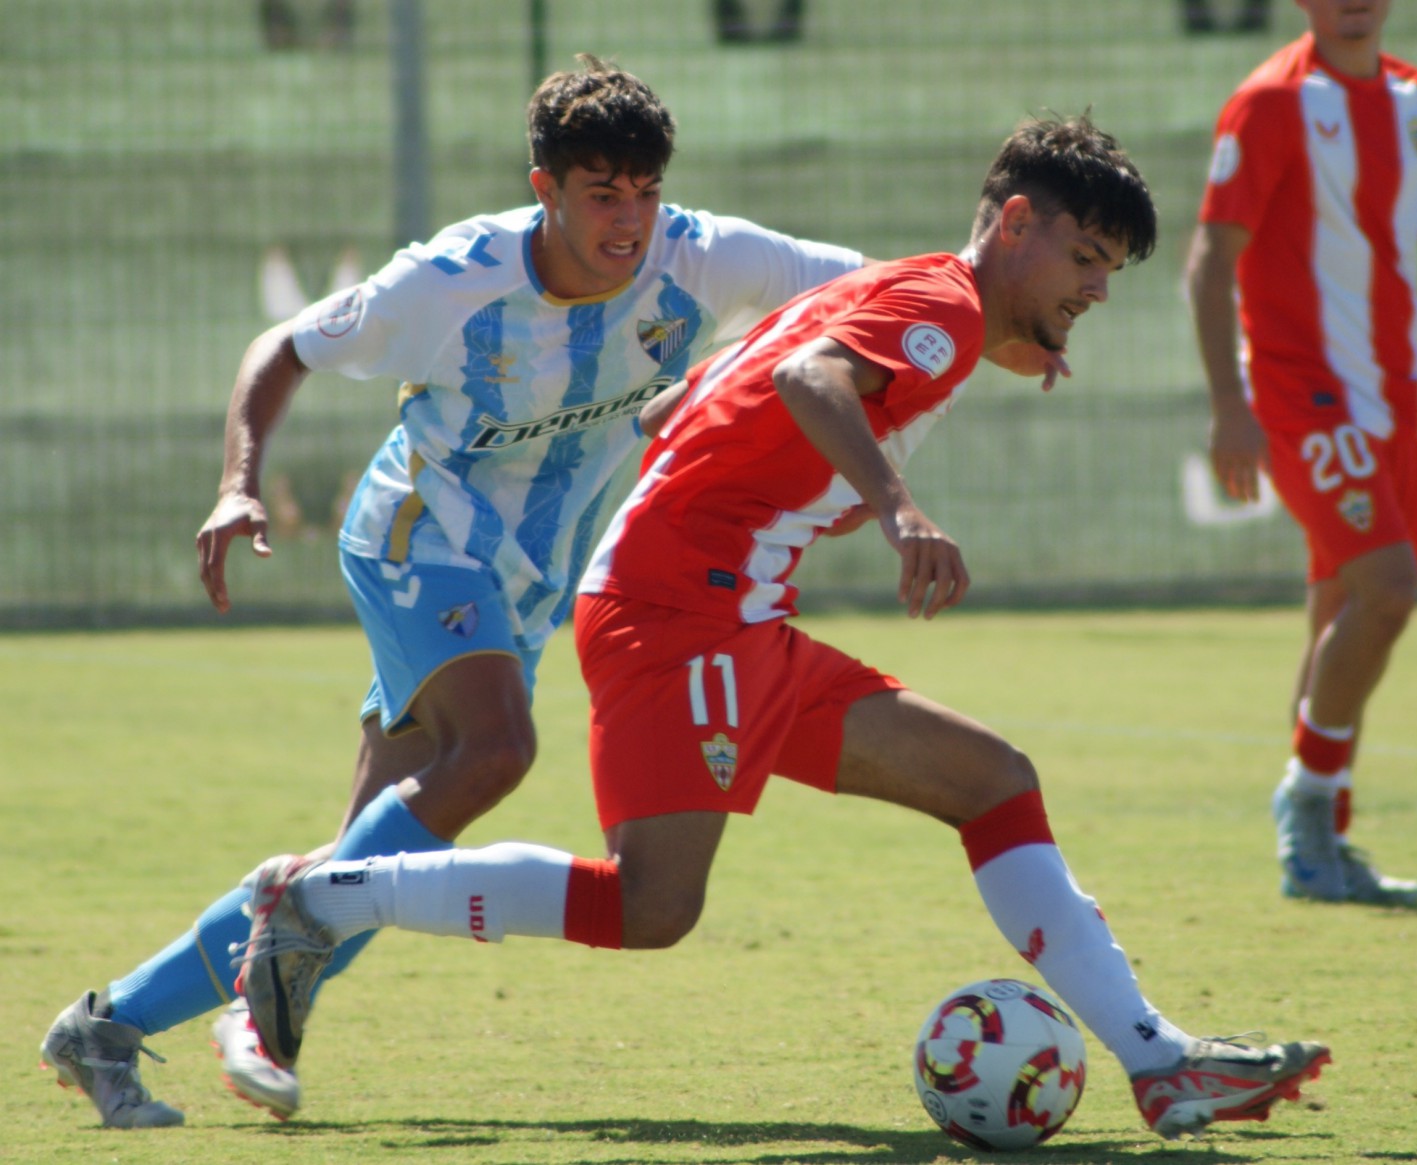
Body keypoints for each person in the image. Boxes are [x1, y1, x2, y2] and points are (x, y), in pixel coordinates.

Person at [233, 114, 1332, 1142]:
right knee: (651, 905)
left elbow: (703, 393)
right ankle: (321, 896)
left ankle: (1158, 1058)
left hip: (731, 615)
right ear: (1013, 224)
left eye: (1108, 271)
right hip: (682, 617)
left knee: (993, 780)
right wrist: (898, 509)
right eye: (1085, 257)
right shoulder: (941, 313)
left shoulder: (919, 294)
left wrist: (743, 454)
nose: (1096, 288)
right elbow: (810, 376)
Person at [39, 54, 866, 1129]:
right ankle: (268, 947)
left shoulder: (699, 258)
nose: (628, 220)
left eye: (645, 193)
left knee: (374, 864)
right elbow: (282, 347)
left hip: (522, 588)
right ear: (546, 190)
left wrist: (961, 335)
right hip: (413, 541)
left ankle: (104, 1026)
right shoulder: (451, 279)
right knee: (497, 753)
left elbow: (869, 291)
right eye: (600, 193)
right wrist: (238, 485)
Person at [1185, 0, 1417, 904]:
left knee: (1343, 605)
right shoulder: (1268, 102)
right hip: (1300, 392)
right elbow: (1211, 258)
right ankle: (1306, 804)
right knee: (1390, 587)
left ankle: (1322, 848)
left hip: (1395, 399)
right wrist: (1229, 402)